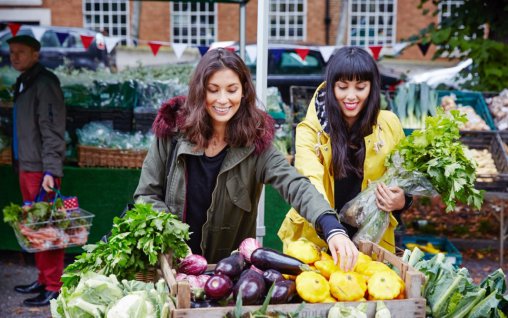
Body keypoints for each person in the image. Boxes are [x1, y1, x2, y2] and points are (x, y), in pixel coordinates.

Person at [134, 48, 358, 271]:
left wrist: (331, 227)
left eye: (231, 90)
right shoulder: (172, 134)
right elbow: (146, 195)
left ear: (243, 92)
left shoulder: (256, 144)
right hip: (168, 269)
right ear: (200, 92)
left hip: (225, 276)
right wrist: (173, 240)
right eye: (213, 90)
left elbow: (296, 185)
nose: (223, 100)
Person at [278, 46, 412, 255]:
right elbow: (309, 180)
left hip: (372, 244)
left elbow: (404, 177)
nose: (351, 96)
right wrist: (332, 228)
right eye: (342, 87)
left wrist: (402, 200)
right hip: (316, 240)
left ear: (372, 87)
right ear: (331, 87)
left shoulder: (389, 124)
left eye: (360, 87)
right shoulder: (311, 130)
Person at [8, 35, 66, 306]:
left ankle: (54, 285)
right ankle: (43, 279)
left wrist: (51, 171)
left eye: (21, 52)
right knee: (35, 227)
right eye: (11, 52)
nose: (14, 57)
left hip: (41, 170)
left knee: (48, 228)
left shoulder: (45, 83)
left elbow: (53, 130)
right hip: (27, 166)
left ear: (36, 54)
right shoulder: (25, 82)